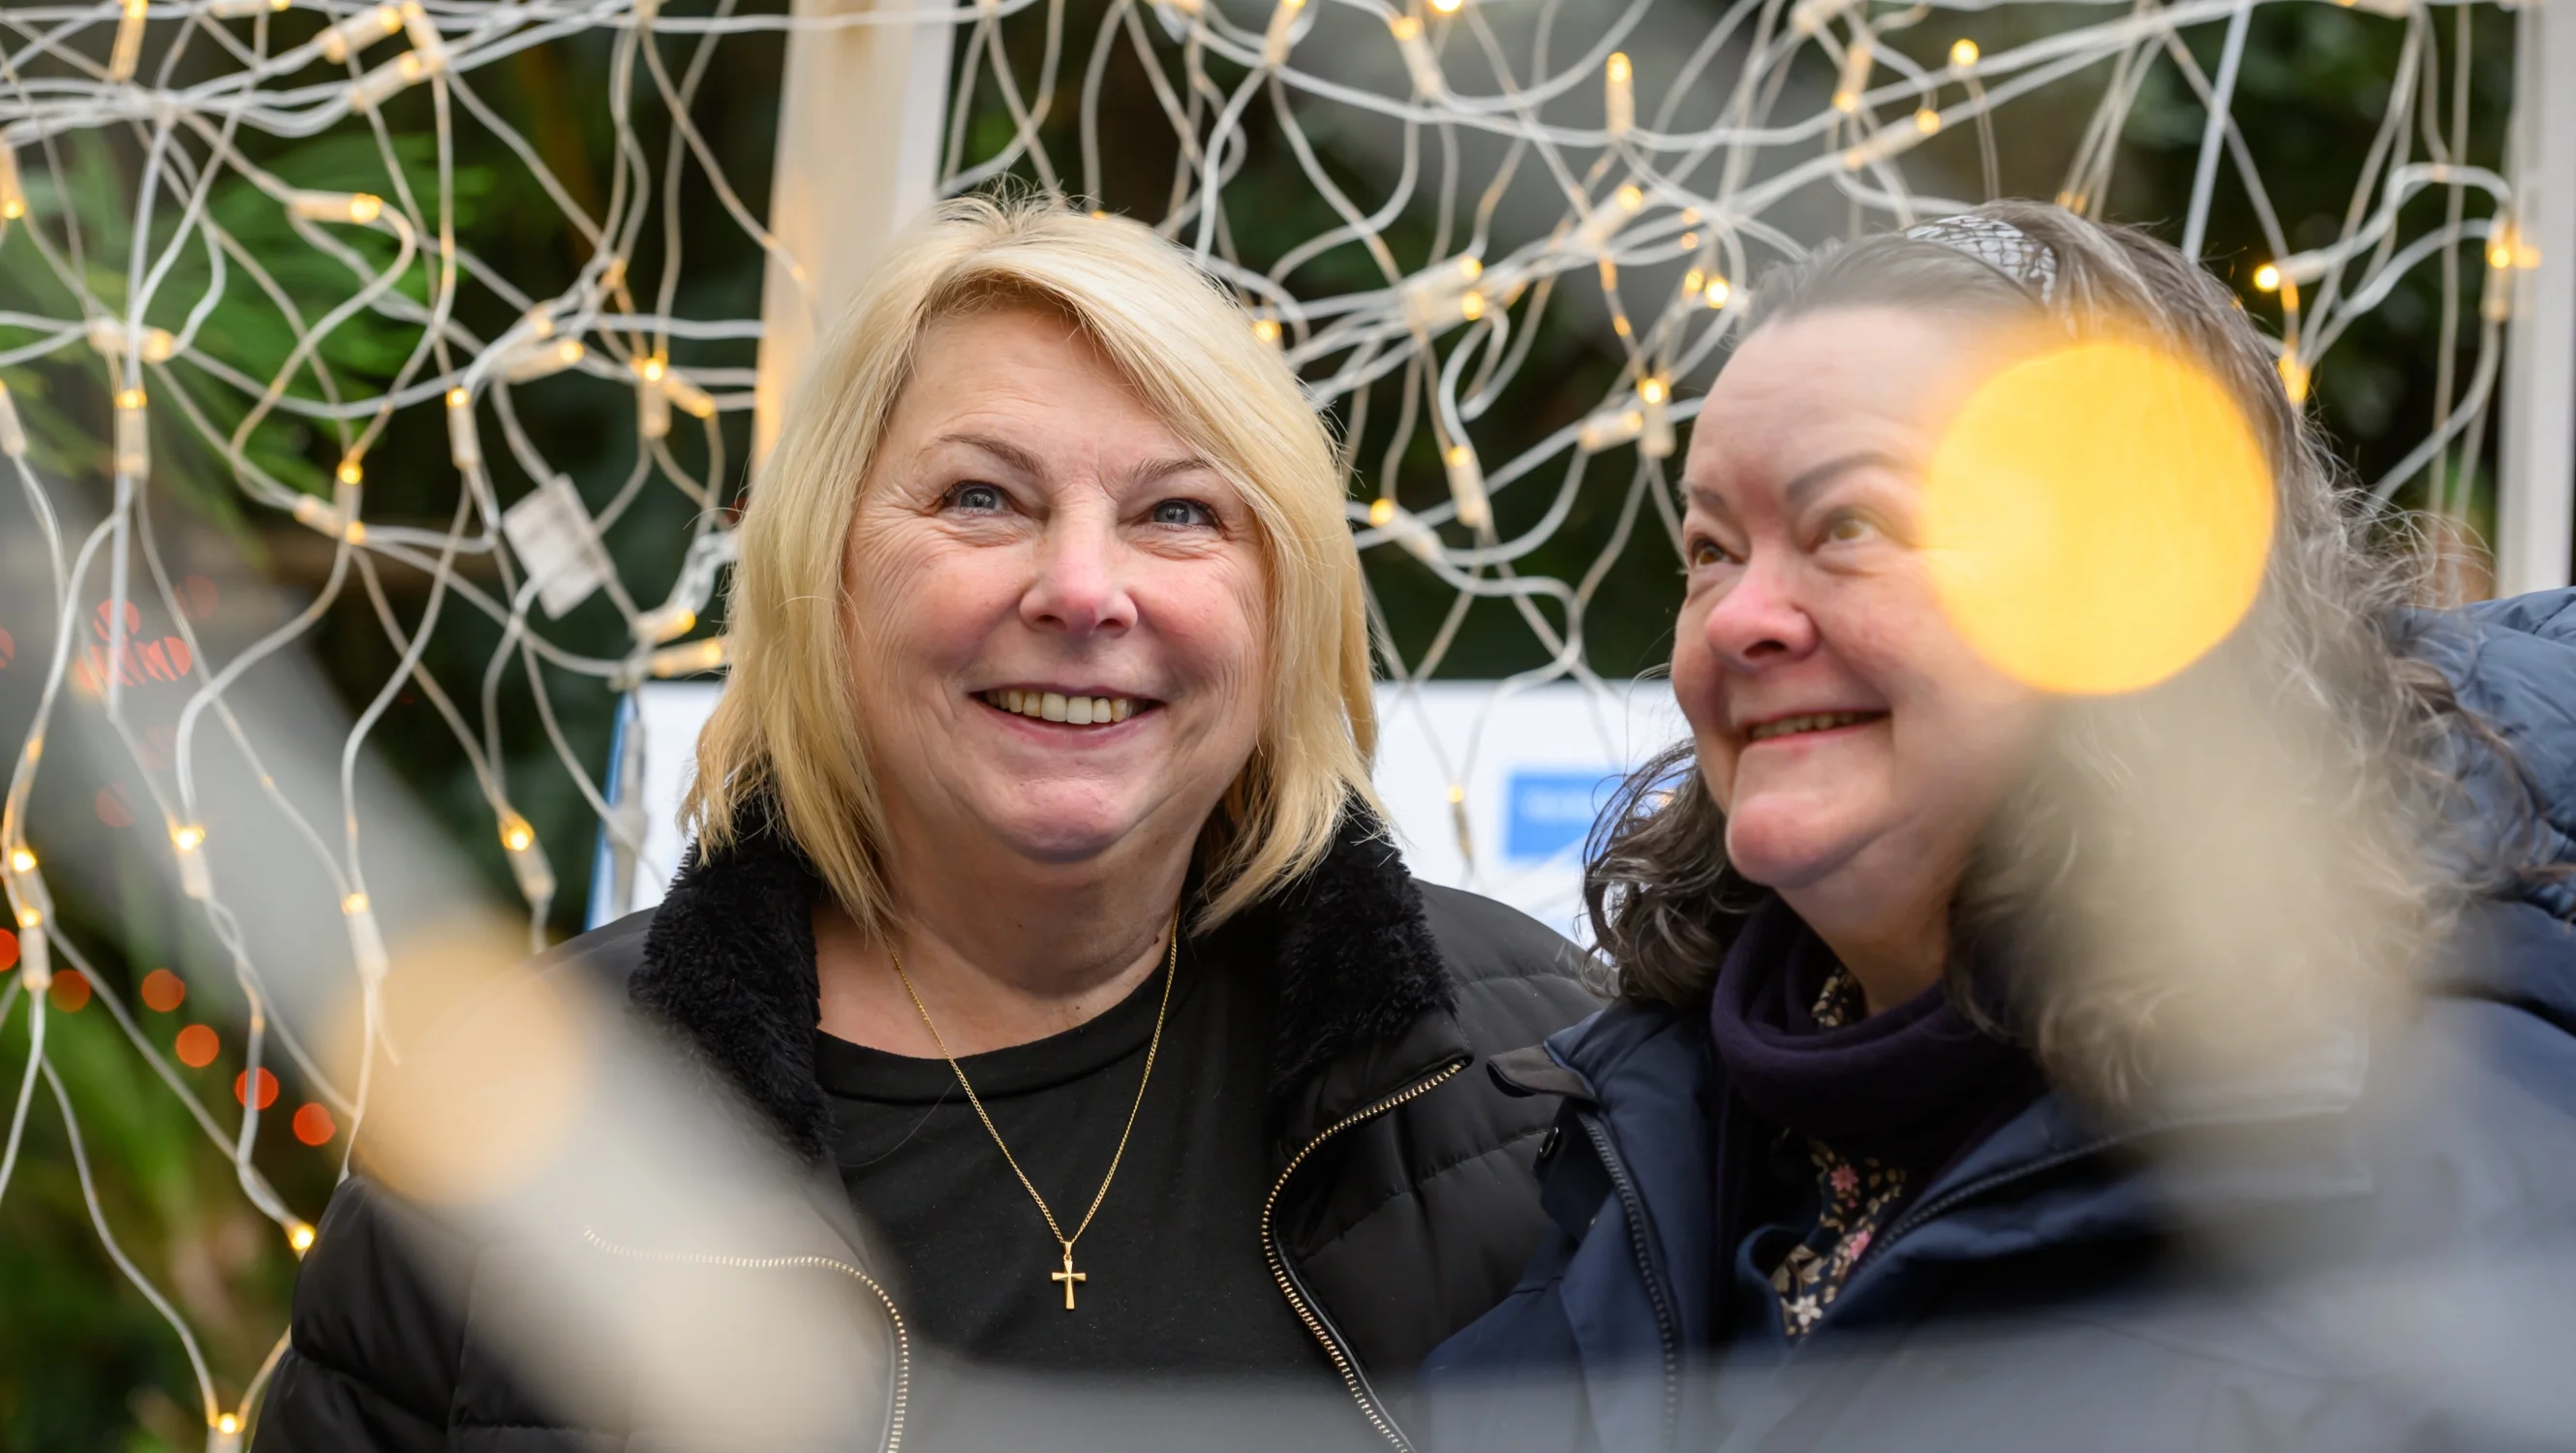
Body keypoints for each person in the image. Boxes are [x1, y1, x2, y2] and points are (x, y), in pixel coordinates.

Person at [254, 194, 1596, 1452]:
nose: (1083, 589)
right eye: (981, 499)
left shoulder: (1546, 1081)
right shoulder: (509, 1136)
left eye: (1178, 512)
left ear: (1285, 608)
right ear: (824, 575)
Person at [1419, 202, 2576, 1451]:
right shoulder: (1629, 1123)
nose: (1741, 617)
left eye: (1849, 527)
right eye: (1711, 548)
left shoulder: (2438, 1134)